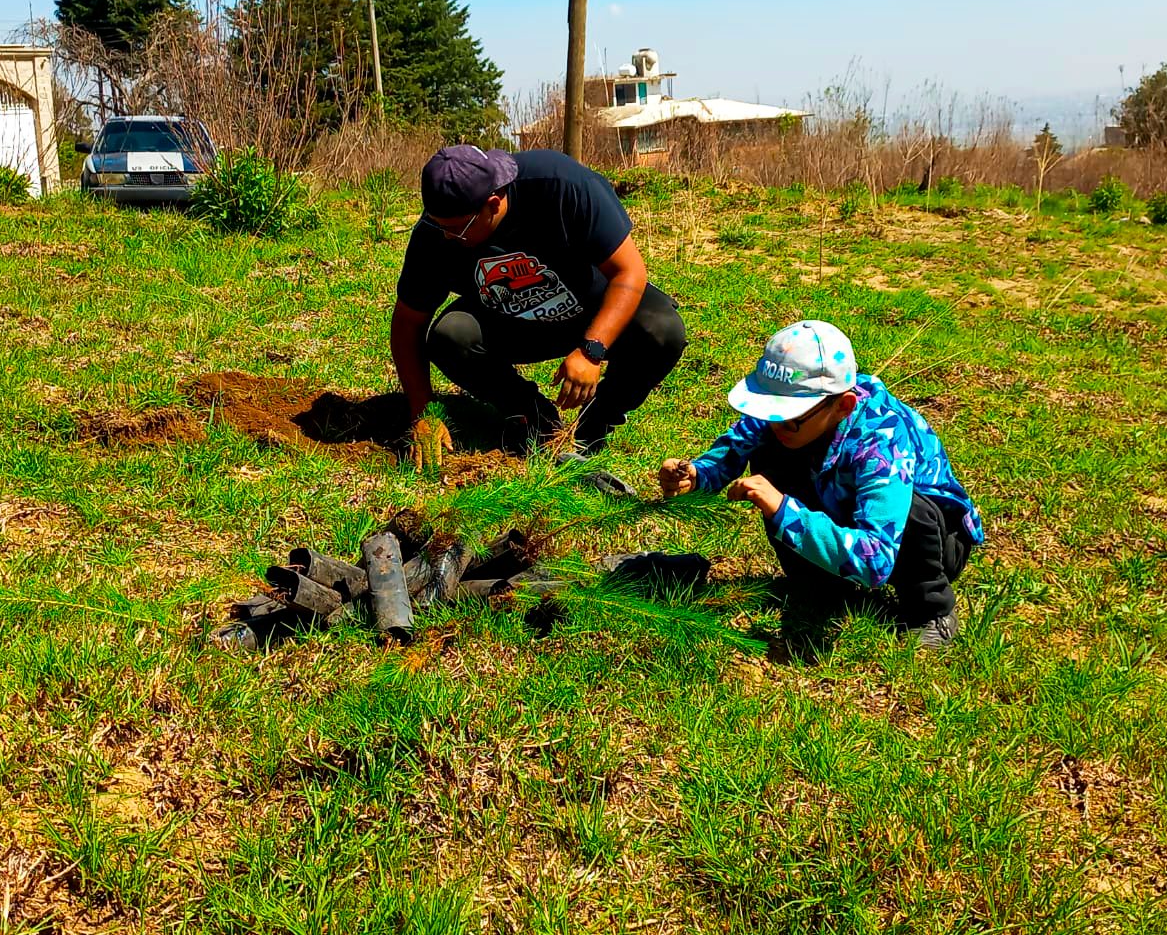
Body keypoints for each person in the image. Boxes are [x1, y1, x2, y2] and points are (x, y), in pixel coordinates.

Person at [658, 320, 983, 648]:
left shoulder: (882, 441)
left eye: (790, 418)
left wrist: (784, 511)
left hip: (927, 543)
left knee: (913, 510)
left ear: (843, 406)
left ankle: (932, 610)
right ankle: (820, 586)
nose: (774, 423)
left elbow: (876, 560)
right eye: (768, 412)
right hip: (841, 505)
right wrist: (695, 475)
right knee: (772, 458)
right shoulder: (787, 413)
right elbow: (732, 450)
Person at [392, 144, 686, 467]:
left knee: (662, 329)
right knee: (450, 335)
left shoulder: (559, 185)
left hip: (590, 307)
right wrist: (423, 412)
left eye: (456, 229)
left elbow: (629, 271)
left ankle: (593, 426)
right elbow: (408, 322)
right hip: (510, 320)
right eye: (439, 226)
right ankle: (536, 419)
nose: (447, 237)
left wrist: (592, 349)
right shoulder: (436, 233)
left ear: (493, 204)